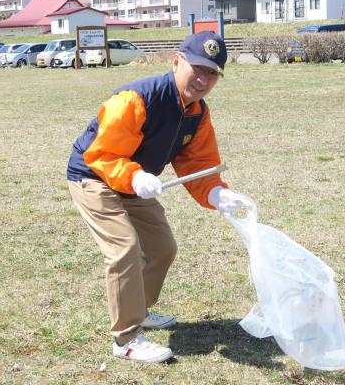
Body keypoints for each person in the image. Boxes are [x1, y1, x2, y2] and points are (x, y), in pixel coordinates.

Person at [66, 31, 248, 363]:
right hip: (94, 176)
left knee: (163, 247)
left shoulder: (197, 113)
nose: (203, 79)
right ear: (177, 61)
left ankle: (140, 308)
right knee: (124, 248)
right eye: (198, 67)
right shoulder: (134, 100)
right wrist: (135, 176)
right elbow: (103, 155)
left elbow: (199, 164)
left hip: (136, 182)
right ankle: (126, 338)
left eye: (212, 73)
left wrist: (218, 194)